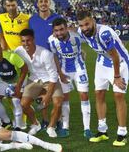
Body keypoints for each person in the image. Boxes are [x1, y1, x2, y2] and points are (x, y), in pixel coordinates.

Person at [77, 10, 128, 146]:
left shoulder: (104, 33)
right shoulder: (82, 31)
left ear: (93, 20)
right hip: (102, 63)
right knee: (99, 94)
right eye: (81, 25)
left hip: (120, 63)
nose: (84, 28)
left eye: (87, 24)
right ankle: (102, 131)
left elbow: (115, 56)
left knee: (118, 96)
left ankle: (122, 134)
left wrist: (117, 76)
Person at [48, 18, 92, 138]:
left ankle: (87, 128)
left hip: (79, 68)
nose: (59, 33)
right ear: (53, 31)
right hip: (63, 71)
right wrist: (60, 74)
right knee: (65, 97)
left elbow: (91, 35)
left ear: (66, 28)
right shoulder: (51, 40)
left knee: (84, 95)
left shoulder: (77, 36)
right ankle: (65, 126)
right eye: (56, 30)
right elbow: (55, 57)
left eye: (62, 29)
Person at [15, 29, 63, 138]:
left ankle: (51, 127)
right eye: (23, 41)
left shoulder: (45, 54)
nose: (26, 43)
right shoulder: (18, 51)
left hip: (49, 79)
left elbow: (53, 76)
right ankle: (35, 124)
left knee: (58, 102)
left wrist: (48, 96)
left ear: (33, 40)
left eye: (28, 40)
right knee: (23, 104)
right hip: (34, 79)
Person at [0, 39, 28, 130]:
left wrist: (18, 86)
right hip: (5, 82)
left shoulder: (12, 57)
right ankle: (6, 121)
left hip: (19, 80)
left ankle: (18, 126)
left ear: (1, 49)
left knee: (15, 100)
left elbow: (25, 69)